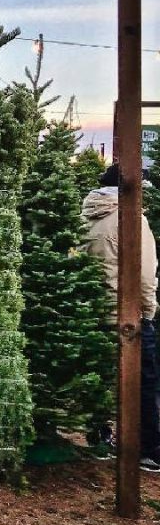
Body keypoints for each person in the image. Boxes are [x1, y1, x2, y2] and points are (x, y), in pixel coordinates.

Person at [80, 163, 160, 472]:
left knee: (98, 377)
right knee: (143, 381)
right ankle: (149, 449)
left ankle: (98, 437)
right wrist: (149, 311)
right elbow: (145, 274)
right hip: (128, 315)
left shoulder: (87, 215)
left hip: (94, 311)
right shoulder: (130, 219)